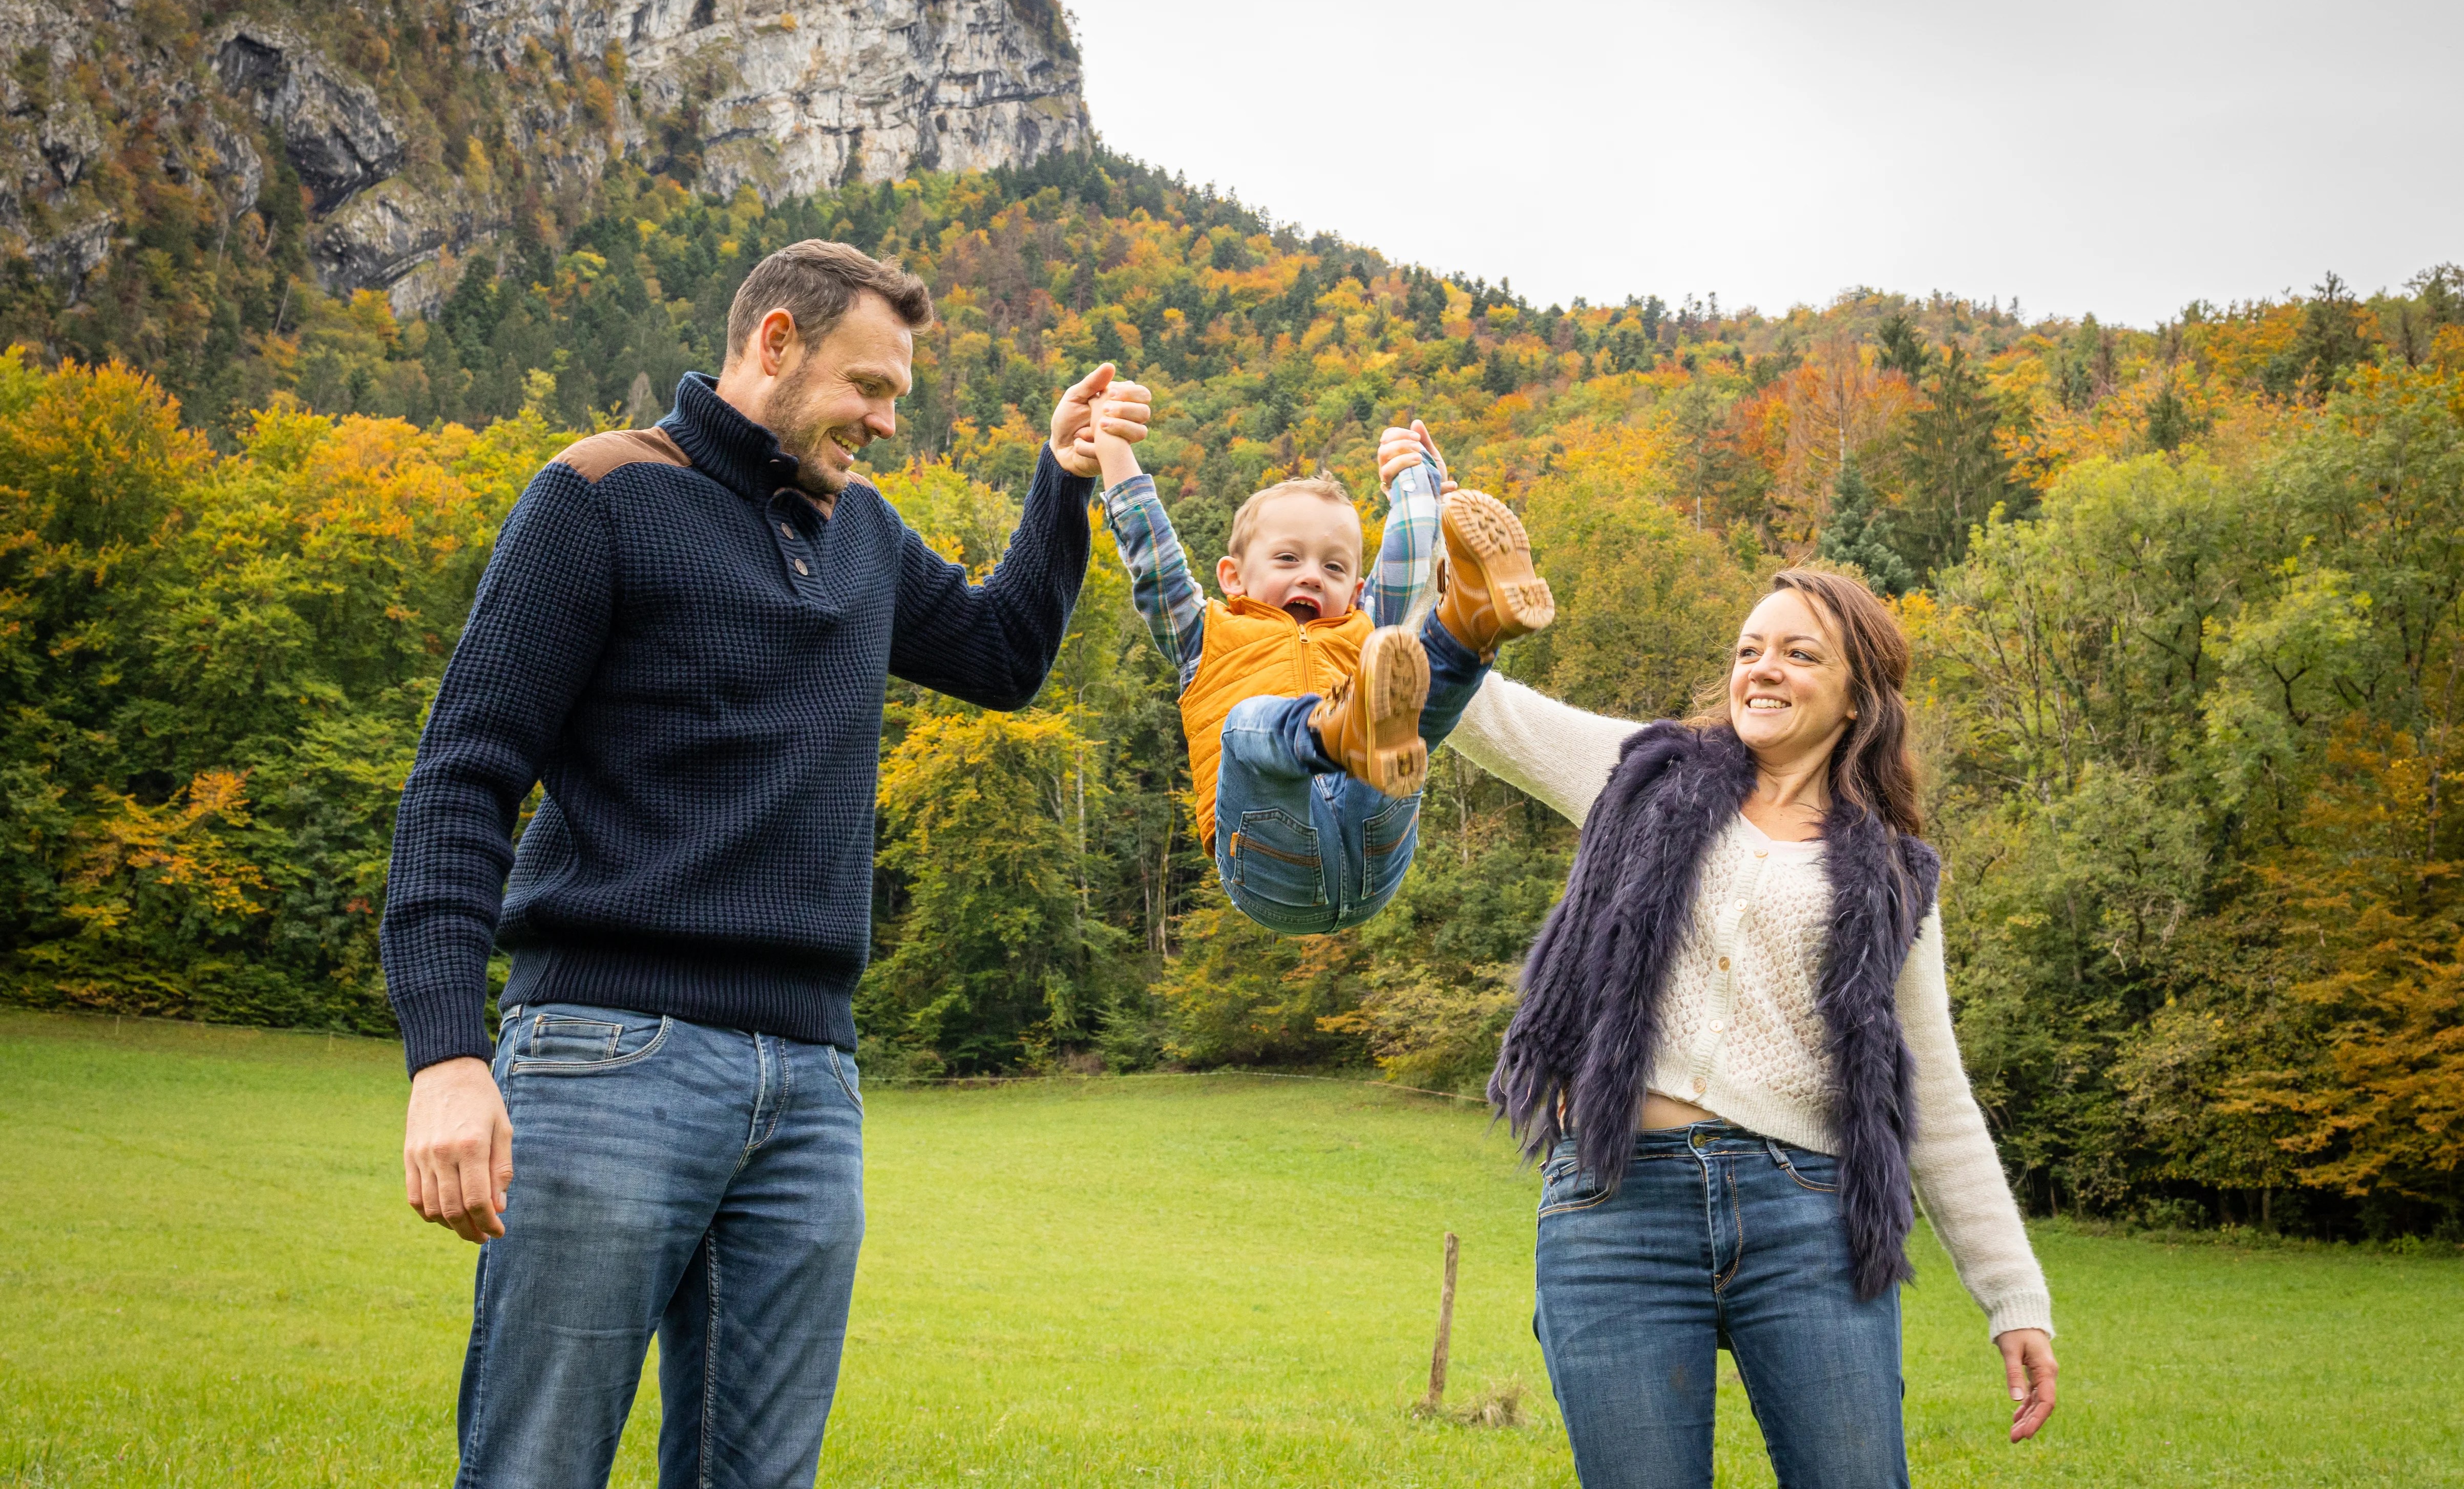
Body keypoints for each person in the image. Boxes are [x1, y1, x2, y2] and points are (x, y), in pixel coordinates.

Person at [381, 239, 1142, 1488]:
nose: (887, 421)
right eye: (869, 386)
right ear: (775, 342)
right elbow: (462, 778)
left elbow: (1003, 656)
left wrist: (1060, 485)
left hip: (810, 1086)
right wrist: (447, 1055)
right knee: (536, 1465)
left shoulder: (863, 538)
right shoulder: (599, 496)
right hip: (603, 1051)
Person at [1378, 436, 2055, 1489]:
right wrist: (1427, 517)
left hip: (1806, 1214)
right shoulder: (1639, 772)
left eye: (1796, 653)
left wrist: (2012, 1297)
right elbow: (1464, 702)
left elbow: (1935, 1097)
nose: (1761, 669)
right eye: (1748, 648)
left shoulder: (1892, 873)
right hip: (1616, 1202)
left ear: (1856, 694)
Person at [1086, 412, 1551, 934]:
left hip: (1375, 845)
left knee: (1411, 683)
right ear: (1233, 577)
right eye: (1287, 558)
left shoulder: (1366, 627)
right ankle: (1339, 728)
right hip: (1271, 863)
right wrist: (1111, 448)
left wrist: (1415, 475)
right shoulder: (1202, 633)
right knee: (1246, 724)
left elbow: (1408, 553)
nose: (1311, 574)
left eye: (1333, 567)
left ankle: (1471, 624)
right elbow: (1153, 557)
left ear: (1355, 590)